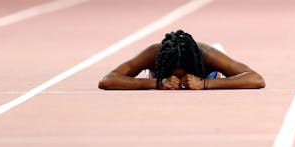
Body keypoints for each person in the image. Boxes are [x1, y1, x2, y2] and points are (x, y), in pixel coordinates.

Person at [98, 30, 265, 90]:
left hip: (208, 74)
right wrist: (157, 83)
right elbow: (107, 80)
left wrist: (205, 83)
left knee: (221, 62)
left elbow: (256, 79)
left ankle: (216, 64)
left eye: (184, 73)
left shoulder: (205, 54)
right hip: (159, 76)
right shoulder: (154, 54)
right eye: (174, 75)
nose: (178, 80)